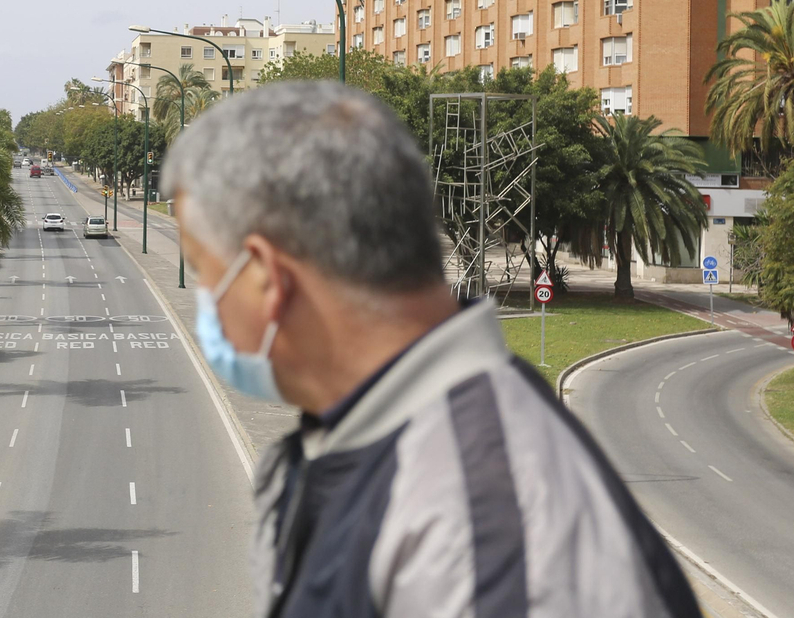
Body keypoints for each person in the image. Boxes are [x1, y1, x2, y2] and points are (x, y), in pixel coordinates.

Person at [161, 82, 701, 618]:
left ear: (267, 277)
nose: (205, 299)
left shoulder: (479, 527)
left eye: (205, 272)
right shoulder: (349, 446)